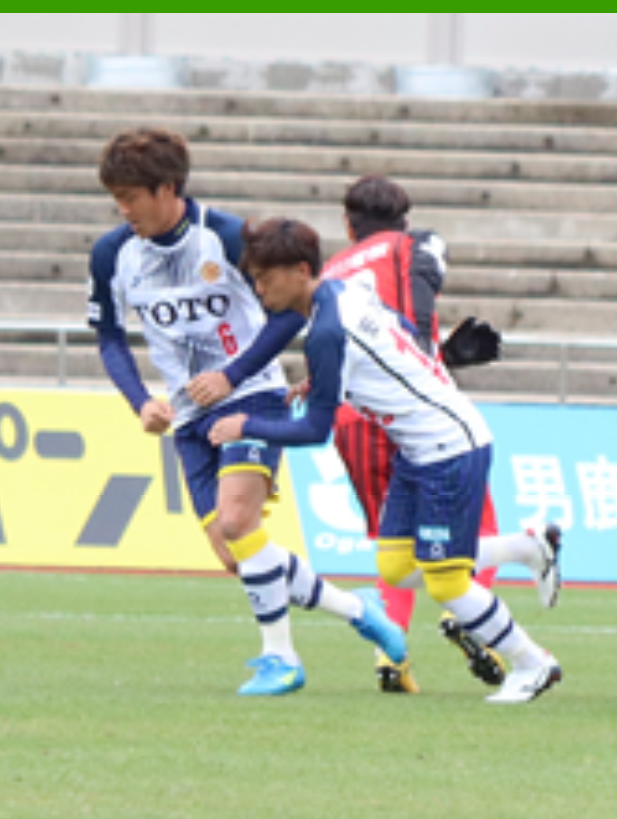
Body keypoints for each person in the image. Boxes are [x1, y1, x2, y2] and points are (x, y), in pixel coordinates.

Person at [86, 128, 405, 696]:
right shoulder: (113, 254)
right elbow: (109, 337)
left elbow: (291, 313)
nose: (123, 209)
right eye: (116, 198)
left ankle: (280, 658)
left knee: (238, 521)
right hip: (189, 418)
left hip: (252, 394)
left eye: (131, 197)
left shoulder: (228, 236)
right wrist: (141, 402)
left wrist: (231, 374)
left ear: (167, 189)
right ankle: (359, 610)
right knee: (238, 553)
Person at [213, 217, 562, 704]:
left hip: (448, 448)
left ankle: (532, 663)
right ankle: (528, 547)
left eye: (265, 278)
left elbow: (314, 430)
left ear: (300, 271)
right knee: (397, 566)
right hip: (417, 451)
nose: (259, 290)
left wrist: (244, 426)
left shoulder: (326, 331)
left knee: (446, 581)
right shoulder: (346, 292)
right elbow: (399, 331)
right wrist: (331, 380)